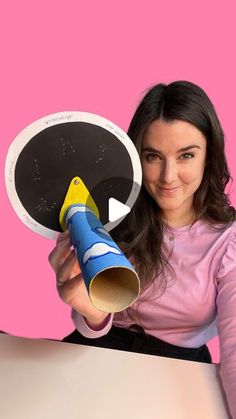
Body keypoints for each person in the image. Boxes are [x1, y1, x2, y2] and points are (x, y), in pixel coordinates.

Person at [49, 81, 236, 418]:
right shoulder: (106, 216)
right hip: (97, 353)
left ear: (209, 155)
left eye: (186, 156)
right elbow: (92, 322)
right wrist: (90, 312)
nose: (168, 176)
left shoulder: (228, 242)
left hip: (179, 369)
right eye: (152, 156)